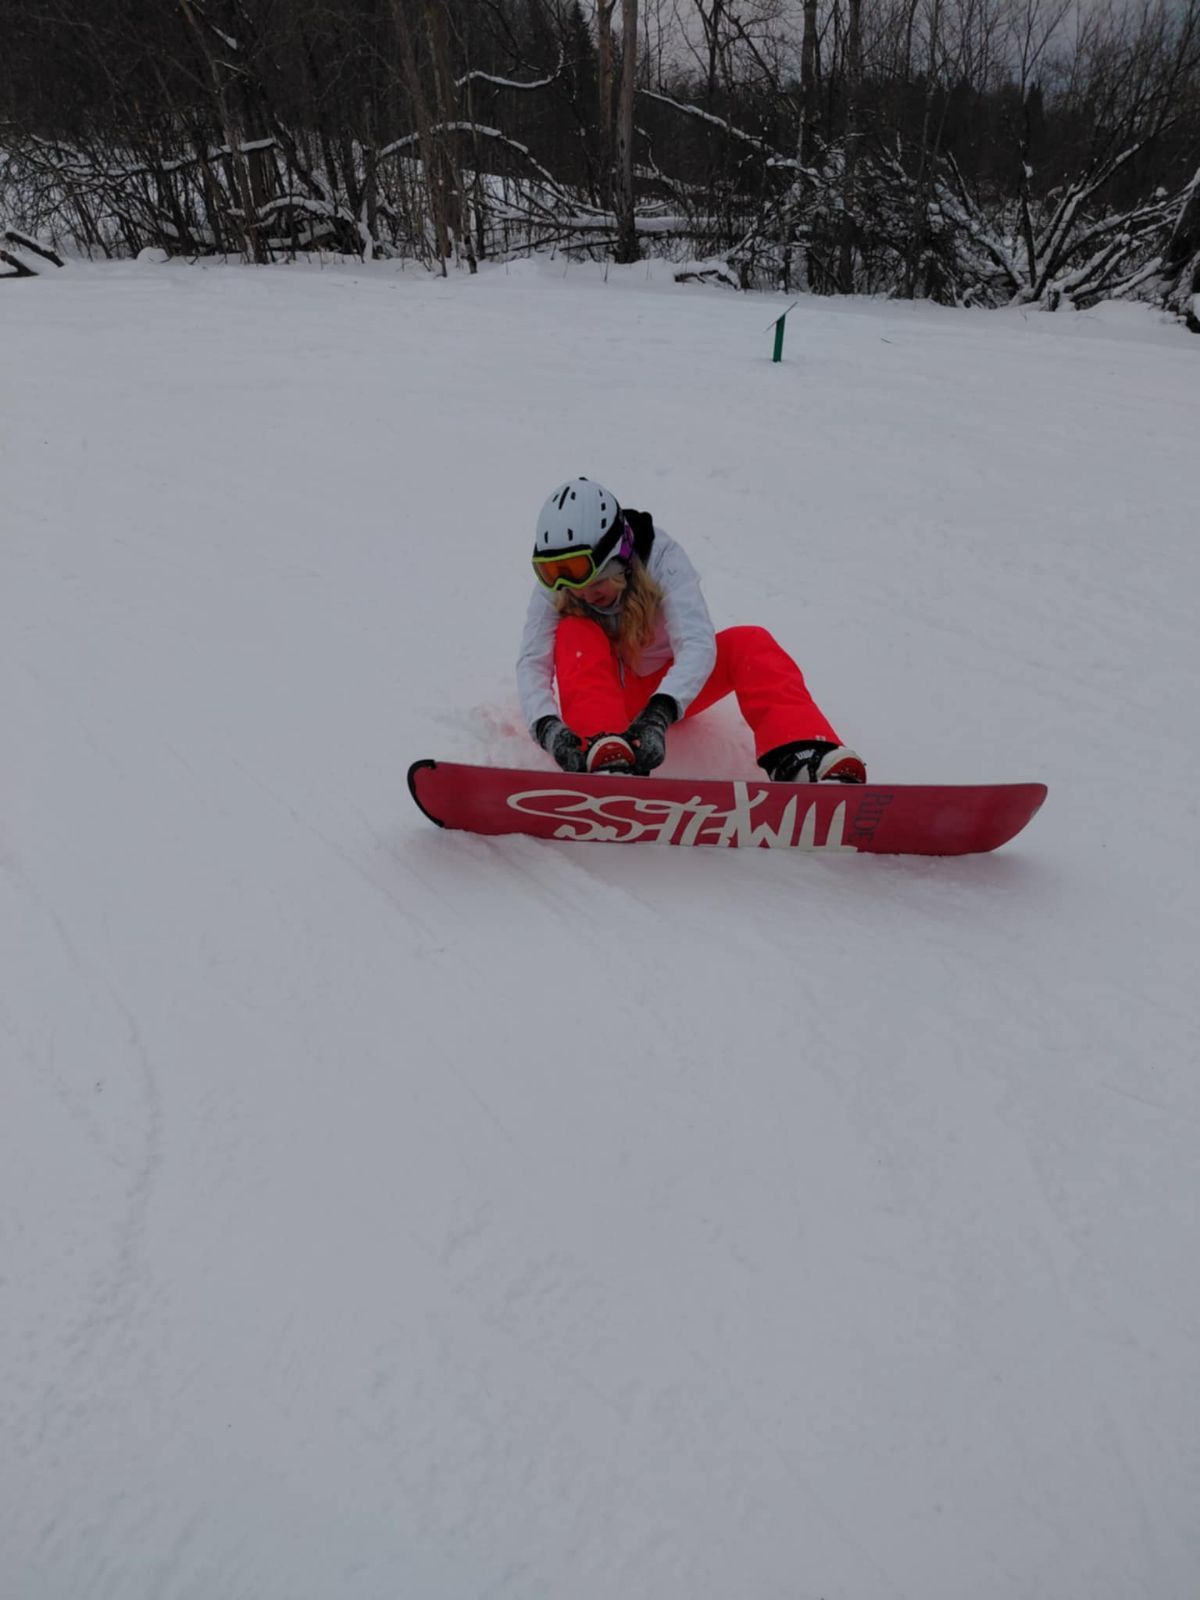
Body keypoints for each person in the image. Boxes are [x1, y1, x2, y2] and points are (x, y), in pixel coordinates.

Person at [516, 477, 866, 782]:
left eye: (590, 577)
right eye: (559, 576)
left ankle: (802, 755)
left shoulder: (663, 559)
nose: (578, 591)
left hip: (669, 688)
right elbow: (533, 661)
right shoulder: (560, 582)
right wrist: (548, 727)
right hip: (604, 693)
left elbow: (697, 643)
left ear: (618, 555)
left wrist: (660, 712)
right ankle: (602, 751)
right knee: (574, 631)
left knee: (750, 642)